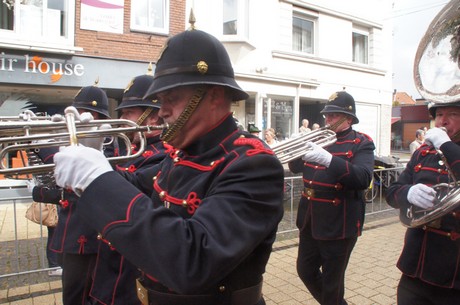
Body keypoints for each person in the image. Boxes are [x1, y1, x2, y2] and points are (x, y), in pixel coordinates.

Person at [53, 26, 285, 305]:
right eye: (160, 101)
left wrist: (96, 179)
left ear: (212, 96)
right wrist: (93, 159)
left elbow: (194, 260)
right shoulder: (183, 153)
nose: (161, 111)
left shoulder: (253, 164)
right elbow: (135, 185)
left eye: (171, 99)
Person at [87, 71, 167, 305]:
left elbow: (130, 187)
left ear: (152, 117)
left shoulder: (164, 154)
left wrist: (91, 160)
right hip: (108, 273)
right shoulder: (130, 149)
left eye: (129, 112)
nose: (121, 118)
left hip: (131, 276)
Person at [288, 91, 375, 305]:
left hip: (339, 221)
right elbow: (294, 167)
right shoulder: (318, 139)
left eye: (334, 116)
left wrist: (328, 159)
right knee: (305, 270)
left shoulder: (361, 143)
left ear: (349, 118)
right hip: (310, 217)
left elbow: (362, 178)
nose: (328, 120)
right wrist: (297, 147)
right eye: (327, 116)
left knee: (332, 282)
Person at [31, 84, 115, 305]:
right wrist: (36, 139)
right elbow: (56, 175)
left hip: (89, 237)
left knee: (80, 297)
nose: (78, 118)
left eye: (84, 113)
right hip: (69, 235)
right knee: (72, 295)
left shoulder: (109, 141)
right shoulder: (71, 140)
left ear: (96, 116)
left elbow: (84, 188)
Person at [386, 101, 460, 305]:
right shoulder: (423, 153)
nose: (443, 121)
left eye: (452, 114)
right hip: (416, 265)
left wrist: (446, 145)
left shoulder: (444, 147)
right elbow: (391, 192)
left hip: (454, 273)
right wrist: (408, 192)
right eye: (439, 114)